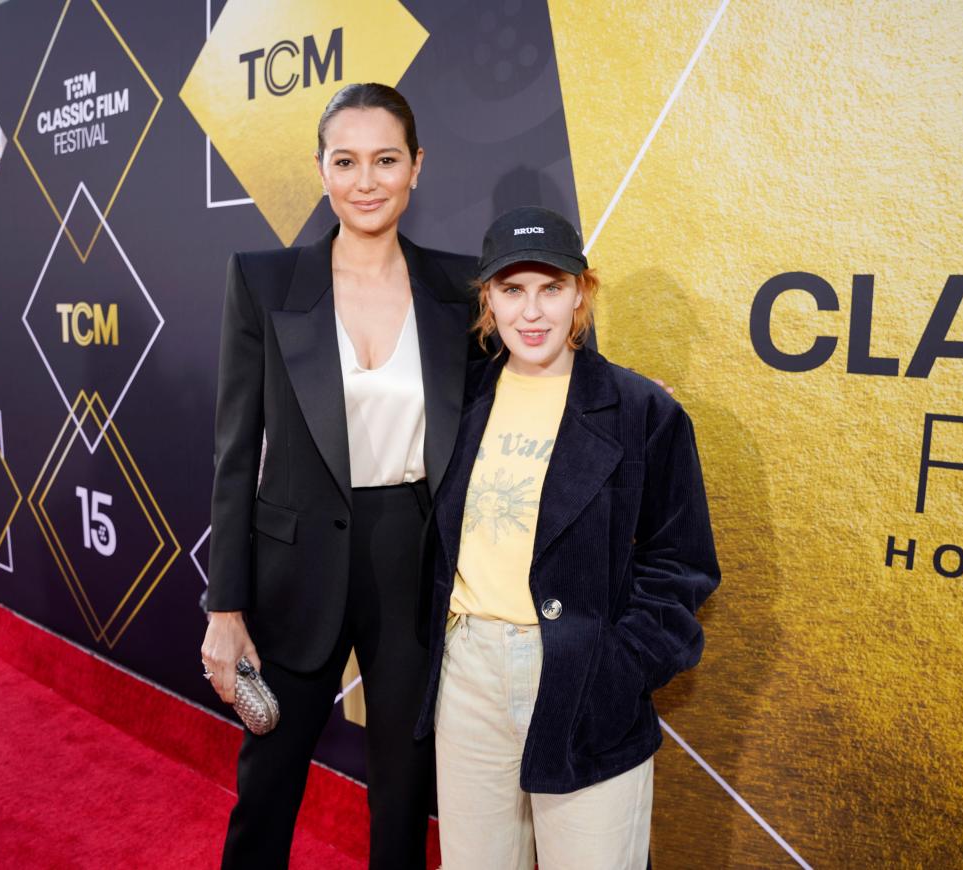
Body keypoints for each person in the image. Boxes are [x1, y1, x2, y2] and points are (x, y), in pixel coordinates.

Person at [200, 83, 478, 869]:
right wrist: (225, 606)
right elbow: (233, 452)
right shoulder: (263, 280)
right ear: (320, 169)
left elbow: (538, 359)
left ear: (416, 168)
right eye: (345, 160)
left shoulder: (460, 288)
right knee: (269, 783)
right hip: (293, 564)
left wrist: (621, 396)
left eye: (385, 159)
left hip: (411, 562)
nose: (366, 180)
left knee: (402, 791)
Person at [415, 206, 721, 869]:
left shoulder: (643, 410)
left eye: (551, 287)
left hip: (586, 679)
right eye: (512, 289)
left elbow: (681, 563)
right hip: (468, 677)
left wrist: (622, 666)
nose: (532, 312)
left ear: (582, 292)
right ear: (487, 300)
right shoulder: (455, 402)